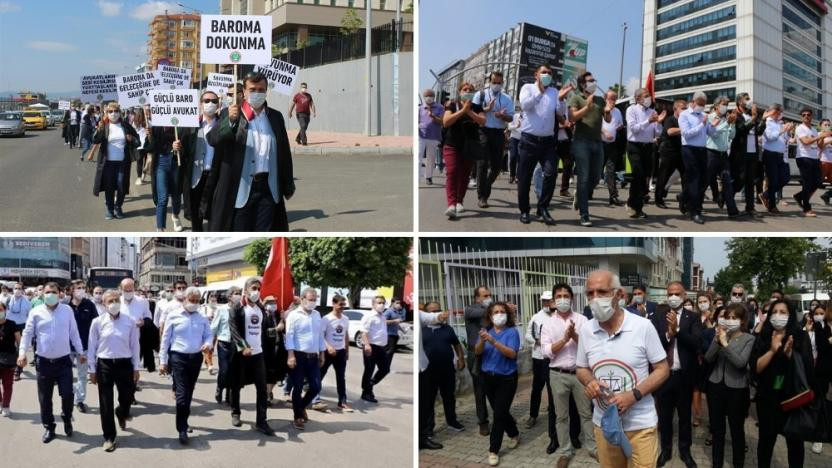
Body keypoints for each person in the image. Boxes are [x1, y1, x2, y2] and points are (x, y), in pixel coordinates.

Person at [575, 270, 670, 467]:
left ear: (619, 294)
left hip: (640, 425)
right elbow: (581, 368)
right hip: (605, 425)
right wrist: (590, 382)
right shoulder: (586, 330)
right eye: (590, 293)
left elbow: (662, 369)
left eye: (602, 292)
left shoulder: (643, 327)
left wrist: (634, 395)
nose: (595, 299)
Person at [206, 72, 295, 231]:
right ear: (244, 92)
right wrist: (230, 122)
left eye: (261, 90)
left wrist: (288, 183)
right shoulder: (232, 113)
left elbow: (284, 153)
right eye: (252, 89)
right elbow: (213, 139)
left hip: (268, 189)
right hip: (241, 189)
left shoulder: (275, 117)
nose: (257, 93)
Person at [17, 282, 85, 443]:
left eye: (53, 292)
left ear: (59, 293)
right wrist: (22, 353)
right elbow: (27, 334)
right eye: (47, 292)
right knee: (45, 398)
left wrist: (81, 352)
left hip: (63, 361)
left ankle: (67, 418)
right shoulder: (35, 312)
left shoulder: (67, 311)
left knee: (67, 394)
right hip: (44, 362)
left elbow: (74, 332)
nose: (50, 295)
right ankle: (49, 427)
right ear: (42, 294)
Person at [750, 299, 813, 467]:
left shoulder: (800, 336)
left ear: (790, 315)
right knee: (766, 441)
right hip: (768, 397)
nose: (778, 316)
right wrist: (772, 350)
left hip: (792, 398)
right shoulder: (763, 335)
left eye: (783, 312)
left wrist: (790, 355)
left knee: (795, 443)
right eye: (774, 312)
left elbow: (807, 369)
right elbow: (756, 368)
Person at [541, 283, 597, 467]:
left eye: (566, 296)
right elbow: (546, 351)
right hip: (558, 374)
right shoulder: (548, 323)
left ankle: (593, 448)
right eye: (559, 296)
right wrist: (565, 339)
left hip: (581, 373)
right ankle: (565, 451)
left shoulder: (582, 320)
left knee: (586, 413)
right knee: (561, 416)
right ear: (553, 300)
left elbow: (590, 346)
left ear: (572, 298)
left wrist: (574, 336)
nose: (562, 299)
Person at [651, 281, 702, 468]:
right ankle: (665, 450)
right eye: (670, 293)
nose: (673, 297)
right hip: (664, 375)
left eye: (677, 294)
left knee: (684, 416)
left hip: (684, 376)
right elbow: (653, 343)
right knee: (665, 416)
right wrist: (668, 334)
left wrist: (677, 331)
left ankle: (685, 450)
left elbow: (697, 342)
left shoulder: (693, 317)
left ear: (684, 295)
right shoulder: (659, 316)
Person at [516, 65, 573, 225]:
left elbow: (560, 113)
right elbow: (525, 105)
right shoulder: (527, 88)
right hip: (529, 140)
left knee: (551, 173)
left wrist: (561, 99)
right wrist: (540, 92)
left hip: (548, 142)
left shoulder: (554, 92)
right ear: (536, 74)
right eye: (544, 72)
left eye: (549, 73)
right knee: (524, 178)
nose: (547, 75)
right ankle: (525, 210)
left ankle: (543, 208)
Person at [87, 290, 140, 452]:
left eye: (116, 300)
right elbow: (92, 346)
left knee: (127, 397)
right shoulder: (97, 322)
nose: (114, 303)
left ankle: (121, 412)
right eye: (110, 301)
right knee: (105, 403)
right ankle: (109, 437)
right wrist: (92, 369)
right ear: (104, 304)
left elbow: (135, 345)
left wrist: (136, 367)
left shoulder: (129, 322)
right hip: (105, 365)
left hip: (125, 364)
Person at [159, 286, 213, 444]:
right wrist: (163, 361)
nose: (194, 303)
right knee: (182, 394)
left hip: (195, 358)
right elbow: (165, 340)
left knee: (189, 392)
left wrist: (208, 343)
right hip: (178, 357)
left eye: (197, 301)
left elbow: (208, 335)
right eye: (191, 300)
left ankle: (184, 420)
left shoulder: (202, 318)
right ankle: (181, 429)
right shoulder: (173, 315)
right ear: (184, 299)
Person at [703, 303, 754, 468]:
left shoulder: (749, 339)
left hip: (737, 389)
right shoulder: (720, 335)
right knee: (717, 430)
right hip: (716, 385)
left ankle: (738, 463)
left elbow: (740, 363)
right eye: (728, 317)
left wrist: (725, 344)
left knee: (736, 429)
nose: (730, 321)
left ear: (742, 320)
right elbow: (708, 358)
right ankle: (716, 463)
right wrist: (717, 341)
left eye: (734, 318)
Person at [474, 301, 521, 466]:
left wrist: (494, 342)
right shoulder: (486, 331)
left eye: (502, 311)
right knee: (500, 411)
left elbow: (512, 354)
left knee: (499, 415)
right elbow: (477, 351)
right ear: (490, 315)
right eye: (496, 312)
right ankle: (514, 433)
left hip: (507, 378)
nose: (499, 314)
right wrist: (482, 341)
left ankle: (493, 450)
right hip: (488, 377)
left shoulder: (512, 332)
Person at [227, 277, 274, 435]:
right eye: (254, 288)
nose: (257, 291)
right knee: (236, 384)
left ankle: (261, 421)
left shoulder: (261, 309)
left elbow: (265, 330)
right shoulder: (237, 307)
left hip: (258, 354)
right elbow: (233, 329)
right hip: (241, 354)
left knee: (262, 388)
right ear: (246, 290)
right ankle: (235, 412)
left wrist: (278, 323)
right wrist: (243, 346)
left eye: (259, 289)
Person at [569, 71, 613, 227]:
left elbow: (607, 119)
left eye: (594, 80)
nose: (594, 82)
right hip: (581, 142)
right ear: (582, 84)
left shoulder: (600, 100)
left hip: (597, 142)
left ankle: (580, 194)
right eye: (590, 80)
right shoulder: (576, 98)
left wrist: (608, 111)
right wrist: (587, 106)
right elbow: (572, 117)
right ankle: (584, 214)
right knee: (584, 178)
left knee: (595, 178)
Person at [441, 82, 486, 219]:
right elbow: (446, 122)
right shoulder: (452, 105)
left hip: (469, 145)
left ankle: (459, 201)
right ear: (459, 92)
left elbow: (483, 121)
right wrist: (462, 111)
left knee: (464, 175)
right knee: (452, 172)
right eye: (465, 89)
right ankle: (451, 204)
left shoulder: (477, 107)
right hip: (452, 144)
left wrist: (469, 111)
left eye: (470, 90)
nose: (467, 91)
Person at [285, 288, 325, 430]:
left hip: (313, 357)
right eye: (310, 299)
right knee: (298, 387)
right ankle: (297, 416)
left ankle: (301, 406)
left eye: (314, 299)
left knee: (316, 386)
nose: (312, 302)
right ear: (302, 299)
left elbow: (320, 335)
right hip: (298, 356)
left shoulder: (317, 314)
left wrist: (322, 353)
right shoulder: (293, 315)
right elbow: (289, 336)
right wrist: (290, 355)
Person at [472, 71, 514, 209]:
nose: (496, 85)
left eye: (499, 82)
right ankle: (482, 196)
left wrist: (502, 116)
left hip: (498, 133)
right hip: (483, 131)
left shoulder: (507, 98)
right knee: (482, 164)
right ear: (489, 82)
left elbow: (511, 117)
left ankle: (486, 186)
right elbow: (473, 112)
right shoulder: (480, 95)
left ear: (503, 83)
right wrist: (487, 109)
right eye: (494, 82)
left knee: (497, 167)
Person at [92, 102, 139, 221]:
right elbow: (95, 140)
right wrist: (99, 129)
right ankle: (110, 209)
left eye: (116, 111)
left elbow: (137, 141)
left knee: (121, 185)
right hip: (108, 162)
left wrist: (131, 139)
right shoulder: (104, 126)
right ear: (106, 113)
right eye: (110, 111)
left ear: (120, 112)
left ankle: (118, 207)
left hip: (122, 162)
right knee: (109, 187)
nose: (113, 114)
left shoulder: (126, 126)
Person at [181, 90, 220, 232]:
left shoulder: (223, 124)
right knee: (196, 214)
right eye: (207, 101)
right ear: (200, 104)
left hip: (216, 177)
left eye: (214, 101)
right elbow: (184, 151)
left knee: (214, 214)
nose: (210, 104)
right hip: (196, 177)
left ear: (218, 105)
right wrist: (177, 148)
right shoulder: (192, 125)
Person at [144, 111, 187, 232]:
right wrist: (149, 136)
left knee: (176, 195)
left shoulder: (181, 124)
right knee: (162, 198)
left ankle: (175, 216)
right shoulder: (155, 126)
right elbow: (148, 148)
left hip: (176, 162)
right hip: (161, 163)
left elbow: (187, 145)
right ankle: (160, 228)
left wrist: (179, 146)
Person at [679, 91, 718, 224]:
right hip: (689, 149)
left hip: (702, 150)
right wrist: (702, 124)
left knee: (703, 180)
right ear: (693, 102)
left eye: (704, 104)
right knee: (694, 179)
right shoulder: (684, 115)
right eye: (700, 104)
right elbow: (687, 134)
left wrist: (713, 126)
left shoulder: (703, 115)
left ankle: (683, 196)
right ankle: (694, 211)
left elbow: (710, 133)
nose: (702, 107)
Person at [626, 88, 665, 219]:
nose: (649, 98)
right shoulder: (631, 110)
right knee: (638, 174)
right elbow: (634, 129)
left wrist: (658, 122)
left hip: (648, 147)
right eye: (646, 96)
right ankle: (635, 206)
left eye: (649, 96)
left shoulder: (652, 112)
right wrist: (649, 121)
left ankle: (634, 204)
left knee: (644, 178)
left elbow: (658, 132)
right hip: (634, 146)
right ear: (638, 98)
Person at [705, 96, 742, 218]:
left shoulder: (727, 119)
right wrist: (727, 123)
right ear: (716, 106)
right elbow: (713, 133)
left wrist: (732, 124)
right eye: (723, 104)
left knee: (727, 183)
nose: (725, 107)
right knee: (705, 182)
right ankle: (689, 202)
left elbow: (731, 136)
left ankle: (732, 211)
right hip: (711, 154)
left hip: (723, 155)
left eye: (727, 104)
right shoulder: (709, 117)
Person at [524, 291, 555, 437]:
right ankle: (533, 415)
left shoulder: (558, 316)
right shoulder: (536, 317)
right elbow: (527, 335)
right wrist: (536, 341)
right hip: (539, 357)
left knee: (552, 387)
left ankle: (553, 412)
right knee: (537, 387)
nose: (547, 304)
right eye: (545, 301)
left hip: (554, 358)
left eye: (549, 301)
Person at [465, 286, 494, 435]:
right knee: (480, 389)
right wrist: (498, 308)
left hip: (491, 352)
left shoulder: (493, 311)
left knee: (495, 386)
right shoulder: (470, 310)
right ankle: (483, 422)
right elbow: (482, 313)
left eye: (489, 295)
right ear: (477, 298)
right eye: (485, 296)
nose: (488, 298)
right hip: (476, 355)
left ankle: (501, 416)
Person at [730, 93, 763, 216]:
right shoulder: (736, 115)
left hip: (753, 153)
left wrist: (763, 119)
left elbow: (759, 131)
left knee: (750, 181)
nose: (750, 101)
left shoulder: (750, 115)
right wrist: (753, 118)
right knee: (740, 180)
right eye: (747, 99)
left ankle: (750, 207)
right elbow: (741, 130)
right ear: (740, 102)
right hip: (740, 153)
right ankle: (725, 196)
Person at [67, 280, 97, 414]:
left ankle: (79, 400)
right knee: (65, 376)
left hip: (84, 347)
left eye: (83, 287)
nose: (81, 290)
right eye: (78, 287)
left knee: (82, 376)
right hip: (67, 347)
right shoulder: (65, 306)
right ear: (72, 290)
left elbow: (96, 325)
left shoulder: (89, 305)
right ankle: (70, 393)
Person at [319, 295, 353, 411]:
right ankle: (314, 398)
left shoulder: (345, 319)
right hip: (328, 352)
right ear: (333, 304)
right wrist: (328, 347)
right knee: (320, 375)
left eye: (344, 305)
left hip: (341, 352)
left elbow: (345, 335)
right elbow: (321, 335)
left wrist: (347, 350)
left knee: (341, 377)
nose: (342, 307)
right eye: (340, 304)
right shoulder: (326, 319)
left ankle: (342, 402)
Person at [761, 104, 794, 214]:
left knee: (785, 178)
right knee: (773, 180)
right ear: (771, 112)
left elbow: (787, 138)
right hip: (770, 154)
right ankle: (772, 206)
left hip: (781, 155)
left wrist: (788, 130)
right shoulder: (767, 122)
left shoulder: (780, 123)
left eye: (780, 111)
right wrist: (782, 130)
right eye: (777, 111)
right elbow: (769, 137)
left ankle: (765, 195)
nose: (779, 113)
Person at [794, 107, 827, 217]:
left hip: (814, 158)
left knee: (818, 182)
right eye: (803, 115)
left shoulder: (813, 130)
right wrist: (819, 136)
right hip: (803, 157)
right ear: (801, 117)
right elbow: (806, 141)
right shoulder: (800, 128)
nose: (806, 116)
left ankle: (799, 196)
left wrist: (822, 137)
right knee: (807, 183)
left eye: (808, 115)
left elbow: (820, 146)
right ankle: (806, 209)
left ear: (811, 116)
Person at [359, 295, 391, 404]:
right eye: (379, 302)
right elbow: (364, 332)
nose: (381, 305)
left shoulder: (382, 316)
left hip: (380, 347)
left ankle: (370, 384)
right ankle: (366, 392)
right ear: (373, 304)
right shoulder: (369, 316)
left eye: (383, 303)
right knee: (369, 369)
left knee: (385, 369)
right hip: (370, 346)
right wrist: (367, 345)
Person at [119, 278, 153, 379]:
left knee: (134, 364)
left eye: (130, 290)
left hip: (137, 339)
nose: (128, 292)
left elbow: (148, 317)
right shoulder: (117, 301)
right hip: (120, 339)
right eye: (126, 290)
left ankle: (133, 383)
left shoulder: (142, 302)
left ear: (134, 288)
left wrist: (143, 322)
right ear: (121, 289)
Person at [807, 303, 830, 454]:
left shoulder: (826, 329)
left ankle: (819, 435)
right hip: (809, 370)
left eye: (822, 313)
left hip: (822, 371)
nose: (819, 315)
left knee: (821, 402)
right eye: (816, 313)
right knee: (809, 401)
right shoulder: (808, 328)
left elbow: (825, 348)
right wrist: (808, 330)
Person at [211, 286, 238, 405]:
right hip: (224, 343)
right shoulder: (221, 310)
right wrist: (210, 343)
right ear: (229, 296)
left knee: (234, 370)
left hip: (236, 344)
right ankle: (220, 387)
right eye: (236, 293)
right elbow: (213, 327)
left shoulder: (241, 309)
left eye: (239, 293)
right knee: (224, 370)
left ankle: (229, 395)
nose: (238, 296)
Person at [601, 90, 625, 207]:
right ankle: (588, 192)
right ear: (605, 99)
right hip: (600, 144)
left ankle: (613, 196)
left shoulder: (618, 111)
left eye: (615, 98)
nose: (613, 101)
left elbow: (620, 124)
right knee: (595, 170)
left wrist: (619, 127)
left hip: (612, 145)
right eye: (611, 98)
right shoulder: (600, 109)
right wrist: (605, 133)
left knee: (611, 171)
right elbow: (597, 125)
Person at [0, 301, 21, 417]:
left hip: (9, 359)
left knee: (7, 384)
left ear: (5, 310)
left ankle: (6, 406)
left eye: (0, 310)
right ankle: (0, 402)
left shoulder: (12, 324)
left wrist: (20, 355)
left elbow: (19, 341)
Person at [419, 88, 444, 185]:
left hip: (434, 136)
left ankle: (428, 176)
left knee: (431, 157)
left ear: (434, 97)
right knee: (418, 156)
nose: (428, 98)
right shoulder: (420, 108)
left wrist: (433, 116)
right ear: (424, 97)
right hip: (421, 135)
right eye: (426, 96)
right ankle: (417, 179)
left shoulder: (440, 108)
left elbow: (442, 121)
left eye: (430, 96)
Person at [6, 283, 31, 381]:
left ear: (22, 290)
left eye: (19, 288)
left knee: (20, 347)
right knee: (10, 347)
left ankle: (18, 370)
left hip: (21, 326)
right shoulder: (9, 299)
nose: (17, 290)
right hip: (9, 325)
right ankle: (12, 365)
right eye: (15, 288)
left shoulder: (26, 301)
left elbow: (30, 314)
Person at [383, 297, 405, 366]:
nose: (399, 305)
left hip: (394, 334)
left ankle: (386, 366)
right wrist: (394, 321)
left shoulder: (397, 312)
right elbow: (383, 321)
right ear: (392, 303)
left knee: (391, 352)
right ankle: (384, 366)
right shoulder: (389, 311)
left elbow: (396, 323)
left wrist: (402, 330)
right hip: (389, 334)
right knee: (389, 351)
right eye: (397, 303)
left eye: (399, 303)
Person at [200, 293, 218, 374]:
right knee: (207, 347)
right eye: (212, 299)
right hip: (206, 332)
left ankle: (207, 361)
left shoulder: (218, 309)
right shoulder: (204, 308)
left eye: (215, 300)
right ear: (208, 300)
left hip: (214, 332)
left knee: (211, 349)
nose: (213, 301)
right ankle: (210, 364)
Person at [133, 107, 150, 185]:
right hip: (146, 145)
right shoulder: (147, 122)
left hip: (139, 145)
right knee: (146, 163)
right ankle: (143, 176)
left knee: (139, 163)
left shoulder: (135, 122)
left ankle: (139, 178)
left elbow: (133, 132)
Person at [507, 106, 523, 184]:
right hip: (514, 138)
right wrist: (516, 126)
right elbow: (509, 127)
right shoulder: (514, 116)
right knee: (513, 156)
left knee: (520, 158)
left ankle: (518, 176)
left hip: (523, 139)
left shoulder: (528, 118)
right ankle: (512, 175)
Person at [820, 119, 832, 205]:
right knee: (816, 182)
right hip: (823, 161)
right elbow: (819, 146)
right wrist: (828, 141)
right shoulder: (818, 134)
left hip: (831, 163)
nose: (827, 126)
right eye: (825, 125)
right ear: (821, 126)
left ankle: (827, 195)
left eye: (829, 125)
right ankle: (802, 197)